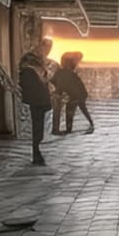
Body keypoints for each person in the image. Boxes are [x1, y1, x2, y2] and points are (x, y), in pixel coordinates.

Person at [18, 36, 54, 165]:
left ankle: (37, 152)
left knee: (38, 127)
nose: (49, 50)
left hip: (37, 99)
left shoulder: (37, 61)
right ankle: (36, 152)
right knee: (37, 127)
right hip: (36, 99)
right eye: (48, 47)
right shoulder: (33, 62)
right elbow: (41, 80)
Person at [51, 51, 95, 134]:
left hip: (75, 95)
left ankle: (69, 129)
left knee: (71, 110)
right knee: (78, 109)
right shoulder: (69, 74)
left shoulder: (62, 72)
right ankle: (89, 123)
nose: (77, 64)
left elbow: (55, 82)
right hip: (77, 94)